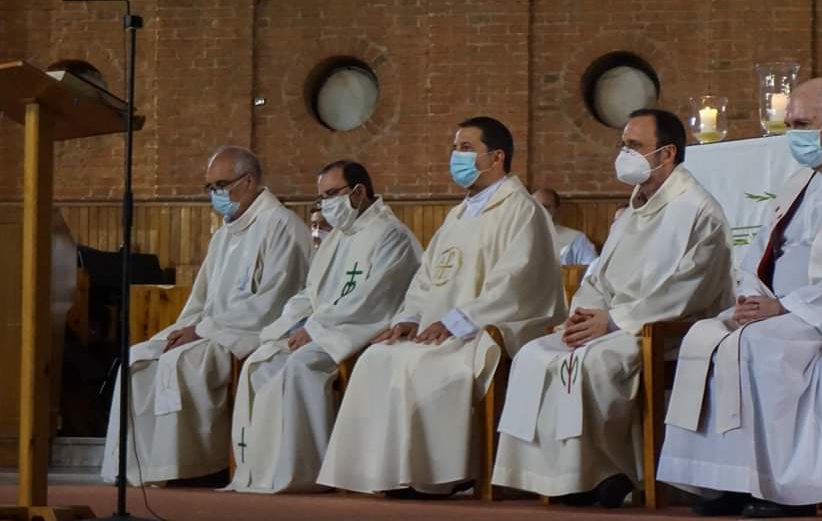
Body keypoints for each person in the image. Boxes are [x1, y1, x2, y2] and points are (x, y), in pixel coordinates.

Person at [659, 78, 822, 518]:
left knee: (761, 344)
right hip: (781, 309)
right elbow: (759, 254)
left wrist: (790, 306)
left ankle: (785, 489)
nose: (792, 136)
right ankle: (727, 480)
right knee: (706, 337)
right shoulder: (799, 183)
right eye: (789, 125)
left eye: (801, 124)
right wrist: (752, 299)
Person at [493, 109, 734, 506]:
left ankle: (605, 472)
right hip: (612, 323)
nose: (624, 154)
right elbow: (598, 277)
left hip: (665, 330)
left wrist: (614, 321)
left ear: (667, 153)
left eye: (634, 146)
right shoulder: (633, 210)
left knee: (594, 363)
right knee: (534, 355)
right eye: (623, 145)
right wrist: (584, 316)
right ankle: (556, 476)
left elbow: (688, 289)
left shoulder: (698, 210)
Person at [317, 117, 566, 496]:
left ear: (497, 157)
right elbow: (426, 278)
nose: (456, 156)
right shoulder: (458, 214)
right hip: (439, 330)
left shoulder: (523, 210)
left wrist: (457, 321)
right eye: (455, 148)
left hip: (483, 331)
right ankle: (382, 472)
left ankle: (435, 477)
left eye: (466, 148)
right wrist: (409, 317)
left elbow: (515, 284)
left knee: (419, 365)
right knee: (376, 358)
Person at [102, 147, 310, 485]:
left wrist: (202, 331)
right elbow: (201, 299)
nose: (215, 195)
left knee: (179, 363)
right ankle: (136, 467)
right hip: (212, 329)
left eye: (221, 185)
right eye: (210, 187)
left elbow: (273, 302)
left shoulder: (282, 226)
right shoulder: (224, 235)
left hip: (249, 334)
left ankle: (191, 468)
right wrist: (183, 329)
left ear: (249, 181)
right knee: (137, 359)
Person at [226, 160, 422, 493]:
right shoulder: (339, 237)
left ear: (358, 192)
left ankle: (309, 470)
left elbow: (372, 299)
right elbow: (311, 292)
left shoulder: (392, 235)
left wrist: (314, 329)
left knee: (301, 365)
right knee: (260, 362)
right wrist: (288, 324)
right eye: (322, 197)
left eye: (332, 194)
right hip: (326, 329)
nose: (327, 204)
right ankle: (263, 469)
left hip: (359, 332)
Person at [533, 188, 599, 266]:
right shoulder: (522, 236)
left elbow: (592, 268)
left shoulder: (576, 239)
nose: (539, 211)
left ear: (556, 210)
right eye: (535, 207)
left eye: (545, 207)